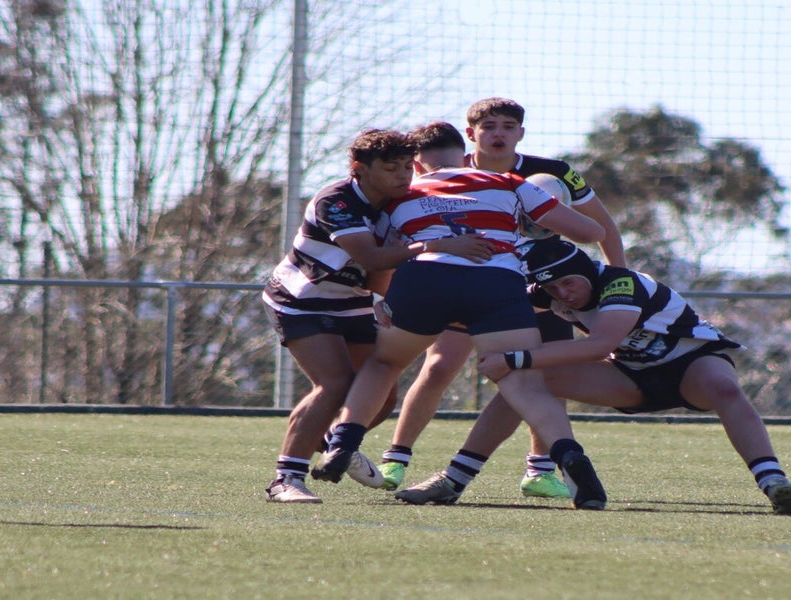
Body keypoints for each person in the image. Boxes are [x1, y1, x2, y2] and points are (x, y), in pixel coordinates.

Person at [310, 121, 611, 510]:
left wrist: (381, 297)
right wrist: (531, 222)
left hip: (424, 279)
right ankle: (569, 455)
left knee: (385, 363)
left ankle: (343, 444)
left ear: (417, 164)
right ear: (465, 155)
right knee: (523, 381)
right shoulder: (509, 182)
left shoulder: (400, 194)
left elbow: (382, 256)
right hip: (496, 281)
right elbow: (591, 232)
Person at [403, 239, 791, 516]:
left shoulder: (620, 283)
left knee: (724, 388)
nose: (563, 294)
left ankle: (775, 484)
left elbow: (600, 345)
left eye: (568, 282)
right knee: (521, 385)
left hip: (693, 365)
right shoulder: (550, 291)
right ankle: (453, 480)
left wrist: (514, 357)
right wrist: (408, 310)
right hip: (631, 378)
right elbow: (484, 309)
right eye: (552, 287)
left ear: (586, 271)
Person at [377, 98, 627, 499]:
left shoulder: (553, 173)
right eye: (489, 126)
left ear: (521, 134)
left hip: (539, 289)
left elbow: (602, 226)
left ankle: (540, 470)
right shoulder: (448, 174)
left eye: (508, 127)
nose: (499, 134)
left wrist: (617, 278)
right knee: (441, 366)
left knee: (542, 376)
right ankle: (397, 457)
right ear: (470, 134)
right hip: (477, 285)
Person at [262, 129, 493, 504]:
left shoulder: (402, 201)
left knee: (381, 394)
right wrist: (436, 245)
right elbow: (370, 256)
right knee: (335, 384)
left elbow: (375, 275)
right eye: (391, 168)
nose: (403, 176)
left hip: (352, 299)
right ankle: (286, 479)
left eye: (407, 167)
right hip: (301, 298)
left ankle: (334, 444)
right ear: (359, 169)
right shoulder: (336, 201)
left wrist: (386, 298)